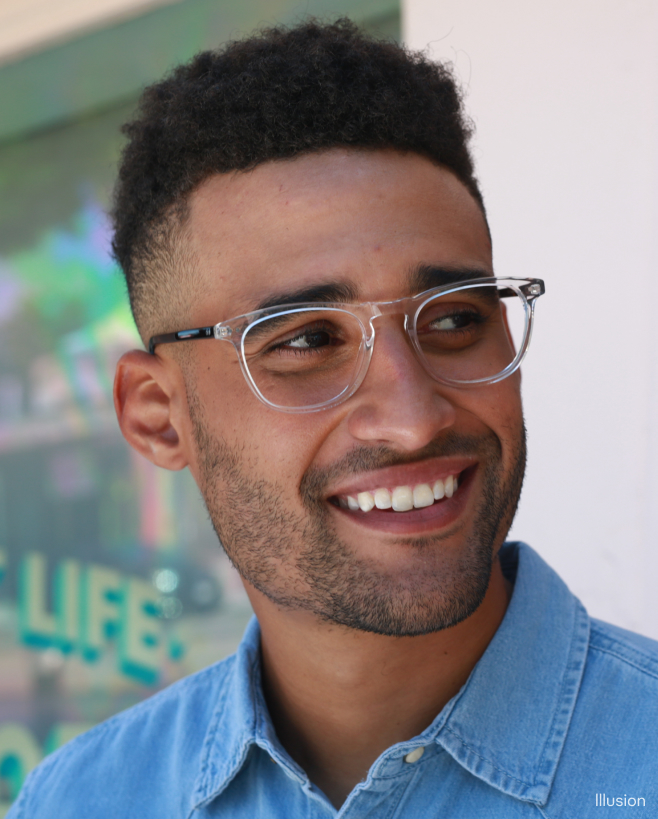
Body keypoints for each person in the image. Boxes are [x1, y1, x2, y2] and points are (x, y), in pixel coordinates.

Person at [9, 18, 658, 819]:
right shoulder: (87, 801)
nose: (413, 420)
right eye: (308, 340)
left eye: (455, 319)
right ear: (158, 417)